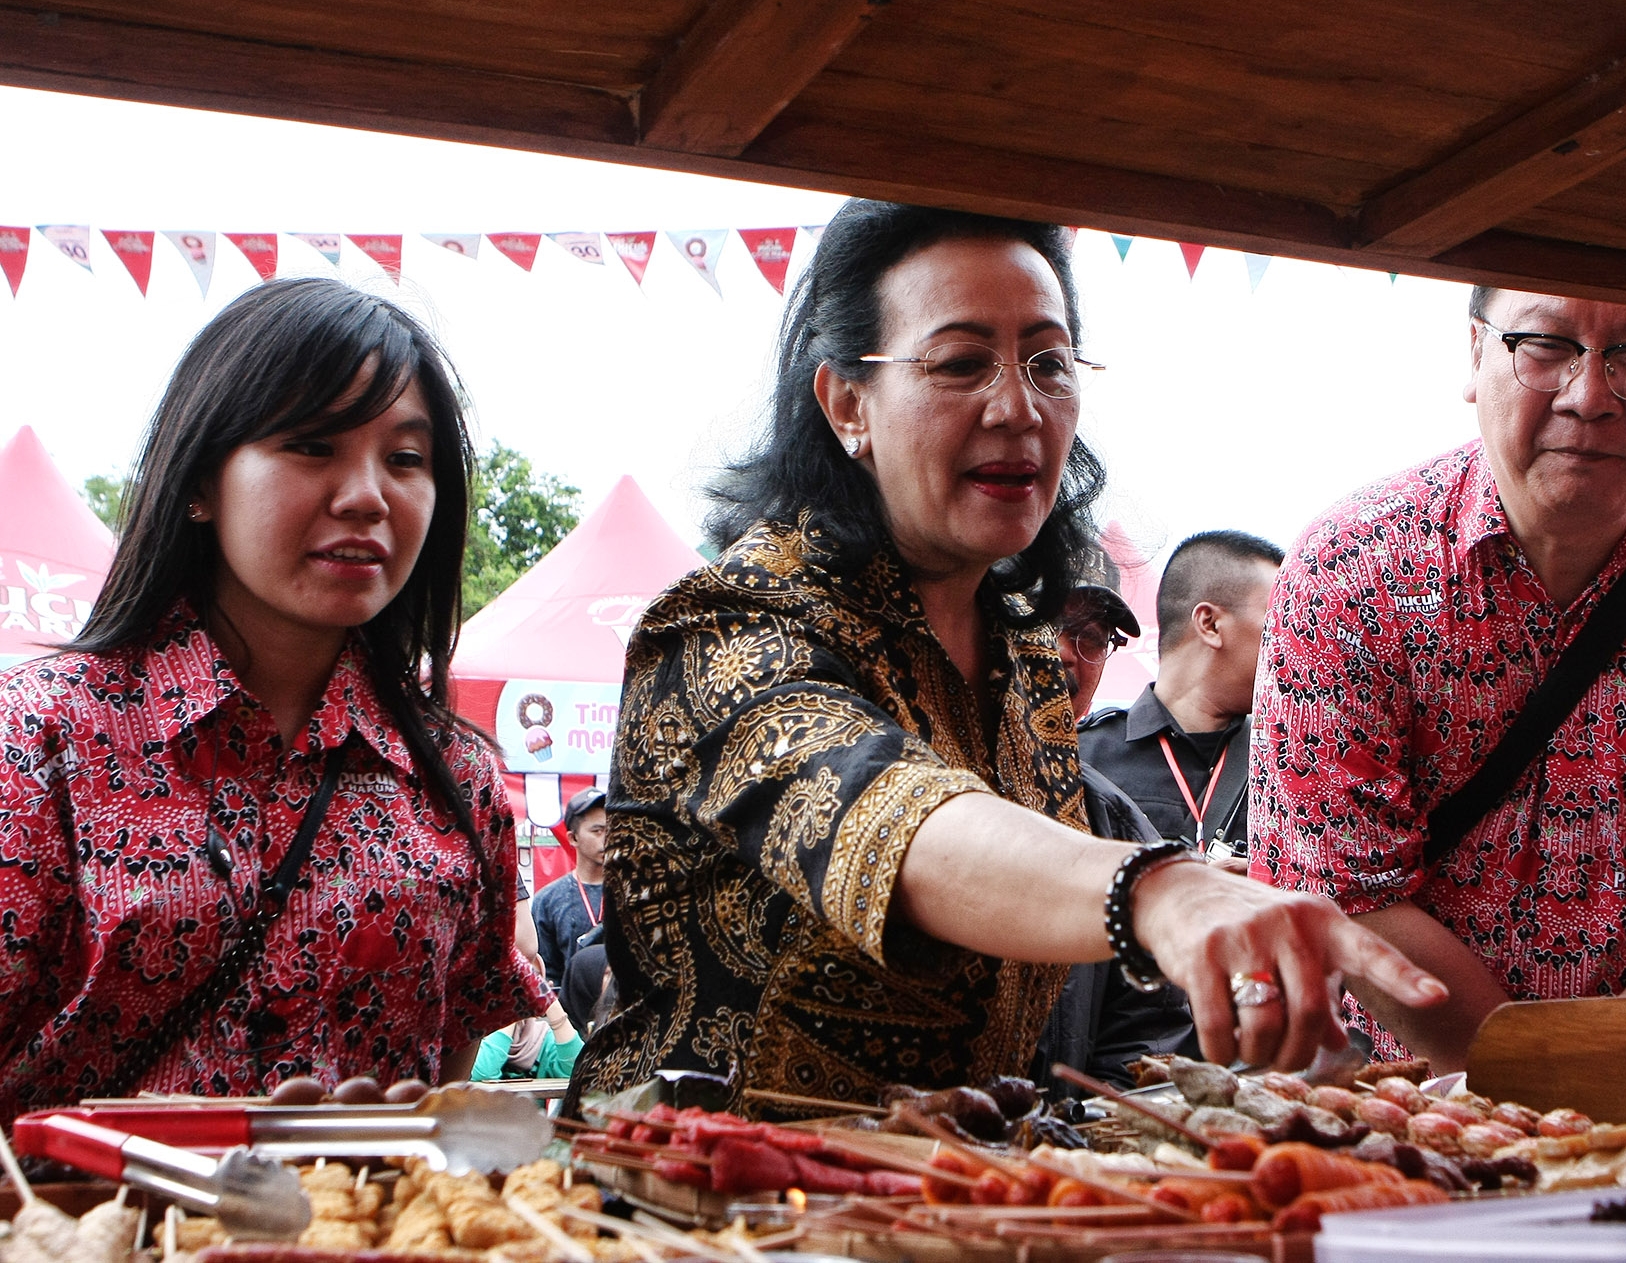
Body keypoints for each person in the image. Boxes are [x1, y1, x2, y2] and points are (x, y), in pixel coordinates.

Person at [571, 200, 1444, 1112]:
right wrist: (1160, 893)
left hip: (961, 1211)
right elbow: (891, 817)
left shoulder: (1025, 650)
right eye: (959, 363)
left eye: (1048, 363)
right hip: (705, 1215)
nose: (1018, 406)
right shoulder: (724, 625)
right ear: (846, 402)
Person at [1251, 286, 1626, 1073]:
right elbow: (1347, 889)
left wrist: (1620, 1069)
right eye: (1545, 344)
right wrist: (1554, 1081)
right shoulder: (1349, 572)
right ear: (1476, 352)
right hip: (1401, 1113)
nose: (1590, 395)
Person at [0, 278, 547, 1120]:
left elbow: (445, 1076)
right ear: (199, 481)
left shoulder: (458, 780)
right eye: (311, 444)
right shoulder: (39, 739)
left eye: (406, 458)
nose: (368, 494)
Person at [1037, 572, 1196, 1092]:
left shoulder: (1118, 823)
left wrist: (1084, 1130)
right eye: (1045, 621)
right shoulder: (901, 762)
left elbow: (1148, 1031)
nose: (1066, 653)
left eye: (1092, 637)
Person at [1080, 530, 1282, 853]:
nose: (1298, 638)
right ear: (1210, 624)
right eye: (1279, 620)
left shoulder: (1290, 762)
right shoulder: (1081, 757)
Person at [532, 787, 609, 986]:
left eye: (613, 830)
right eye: (598, 831)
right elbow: (547, 974)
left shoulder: (633, 892)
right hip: (570, 1012)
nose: (608, 838)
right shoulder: (547, 901)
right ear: (573, 838)